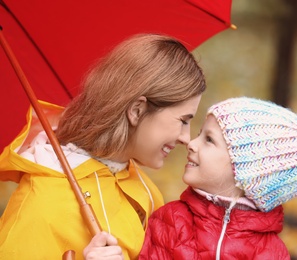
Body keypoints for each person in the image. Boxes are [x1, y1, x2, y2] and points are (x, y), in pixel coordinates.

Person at [0, 34, 206, 259]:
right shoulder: (40, 207)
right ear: (137, 110)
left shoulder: (142, 189)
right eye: (183, 120)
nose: (186, 138)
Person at [138, 97, 297, 259]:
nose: (191, 143)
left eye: (209, 140)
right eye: (200, 134)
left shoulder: (270, 252)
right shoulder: (172, 221)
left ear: (248, 171)